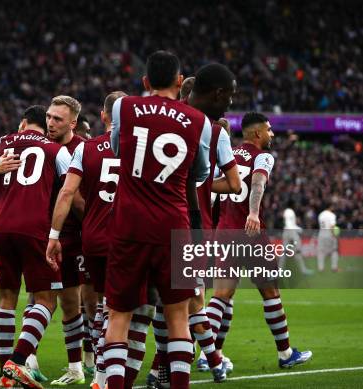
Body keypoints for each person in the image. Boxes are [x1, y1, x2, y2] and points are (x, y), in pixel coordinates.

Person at [103, 50, 212, 389]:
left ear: (145, 81)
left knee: (119, 316)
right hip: (173, 225)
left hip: (129, 224)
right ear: (180, 82)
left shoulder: (124, 107)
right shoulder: (200, 121)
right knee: (178, 316)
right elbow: (200, 173)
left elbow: (117, 149)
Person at [48, 91, 156, 389]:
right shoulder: (143, 148)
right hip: (130, 239)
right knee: (133, 315)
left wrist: (54, 235)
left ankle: (98, 374)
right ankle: (113, 378)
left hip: (94, 239)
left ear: (104, 116)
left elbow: (67, 193)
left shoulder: (86, 148)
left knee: (101, 309)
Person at [148, 64, 241, 387]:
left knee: (163, 302)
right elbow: (234, 184)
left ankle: (160, 367)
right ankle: (209, 361)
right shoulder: (212, 131)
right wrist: (202, 187)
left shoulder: (157, 121)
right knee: (188, 302)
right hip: (190, 225)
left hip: (150, 221)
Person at [214, 112, 312, 370]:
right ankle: (285, 354)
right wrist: (254, 213)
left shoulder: (229, 154)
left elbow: (211, 185)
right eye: (269, 130)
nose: (272, 134)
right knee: (271, 292)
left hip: (224, 231)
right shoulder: (264, 157)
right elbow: (257, 184)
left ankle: (208, 356)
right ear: (257, 133)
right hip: (251, 234)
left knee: (221, 295)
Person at [0, 105, 58, 387]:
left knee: (6, 300)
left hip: (4, 226)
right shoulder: (53, 148)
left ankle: (4, 373)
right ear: (42, 126)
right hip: (35, 228)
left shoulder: (5, 141)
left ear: (23, 123)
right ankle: (17, 362)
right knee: (45, 299)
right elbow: (71, 186)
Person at [44, 95, 88, 386]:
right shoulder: (40, 146)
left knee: (78, 304)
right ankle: (31, 361)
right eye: (48, 116)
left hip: (77, 238)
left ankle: (82, 366)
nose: (50, 123)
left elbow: (82, 200)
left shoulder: (83, 149)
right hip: (46, 235)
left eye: (57, 119)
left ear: (72, 122)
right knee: (39, 298)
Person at [279, 206, 314, 275]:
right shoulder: (289, 212)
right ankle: (303, 270)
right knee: (296, 252)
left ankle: (279, 271)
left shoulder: (290, 214)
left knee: (285, 253)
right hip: (290, 233)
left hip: (288, 233)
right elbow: (289, 225)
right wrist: (294, 237)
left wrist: (299, 230)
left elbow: (291, 225)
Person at [317, 205, 340, 272]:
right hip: (329, 234)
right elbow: (332, 226)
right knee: (334, 250)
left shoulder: (320, 215)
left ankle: (321, 268)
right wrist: (334, 235)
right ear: (330, 207)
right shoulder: (332, 215)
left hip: (321, 234)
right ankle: (334, 268)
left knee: (321, 251)